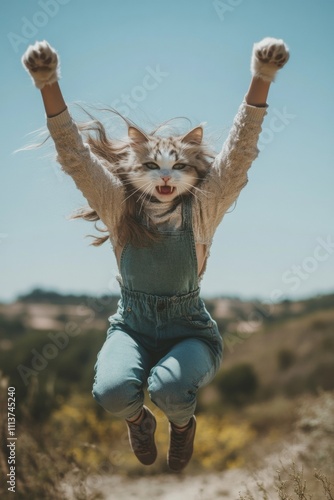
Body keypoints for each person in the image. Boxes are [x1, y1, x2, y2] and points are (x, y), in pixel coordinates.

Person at [21, 37, 289, 471]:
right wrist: (47, 83)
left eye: (177, 166)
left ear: (192, 170)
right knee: (110, 392)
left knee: (170, 388)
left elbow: (239, 154)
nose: (165, 176)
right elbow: (75, 157)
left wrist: (262, 77)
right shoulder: (116, 205)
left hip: (190, 330)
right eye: (152, 166)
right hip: (132, 326)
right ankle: (138, 420)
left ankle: (182, 426)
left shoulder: (203, 204)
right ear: (134, 168)